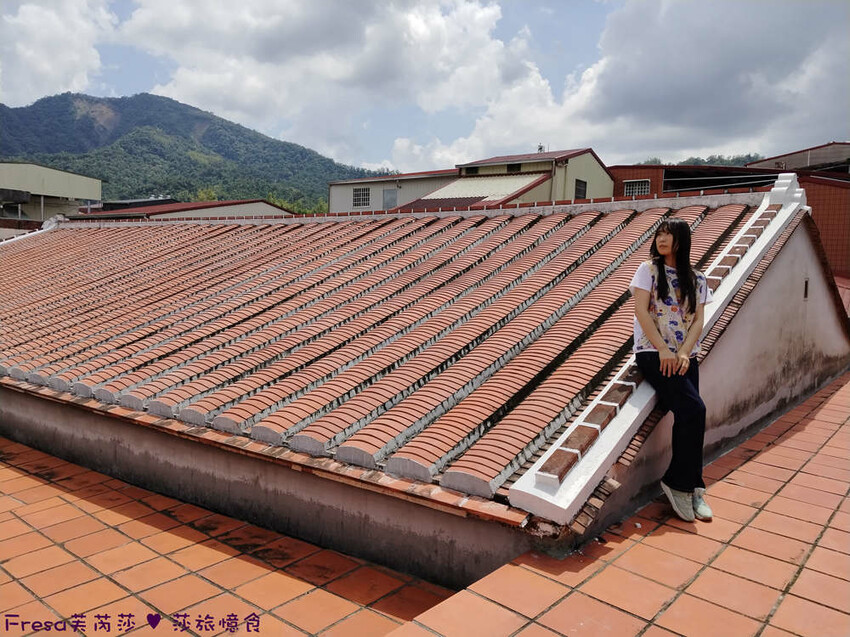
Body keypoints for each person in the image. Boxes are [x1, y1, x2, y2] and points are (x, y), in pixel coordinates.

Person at [629, 218, 713, 522]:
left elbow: (698, 322)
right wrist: (664, 349)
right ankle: (679, 483)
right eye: (659, 233)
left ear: (682, 240)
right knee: (695, 410)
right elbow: (641, 310)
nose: (661, 238)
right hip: (654, 353)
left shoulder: (698, 279)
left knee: (689, 415)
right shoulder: (648, 270)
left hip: (683, 357)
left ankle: (692, 486)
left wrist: (684, 352)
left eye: (669, 234)